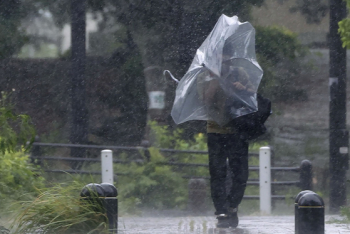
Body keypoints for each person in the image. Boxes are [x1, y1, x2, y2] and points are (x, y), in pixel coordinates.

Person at [197, 63, 253, 228]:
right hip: (215, 130)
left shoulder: (239, 71)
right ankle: (221, 211)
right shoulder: (204, 76)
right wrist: (214, 82)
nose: (223, 62)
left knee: (241, 173)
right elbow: (204, 102)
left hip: (238, 129)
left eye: (226, 58)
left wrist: (243, 89)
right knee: (217, 172)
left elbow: (253, 96)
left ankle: (232, 206)